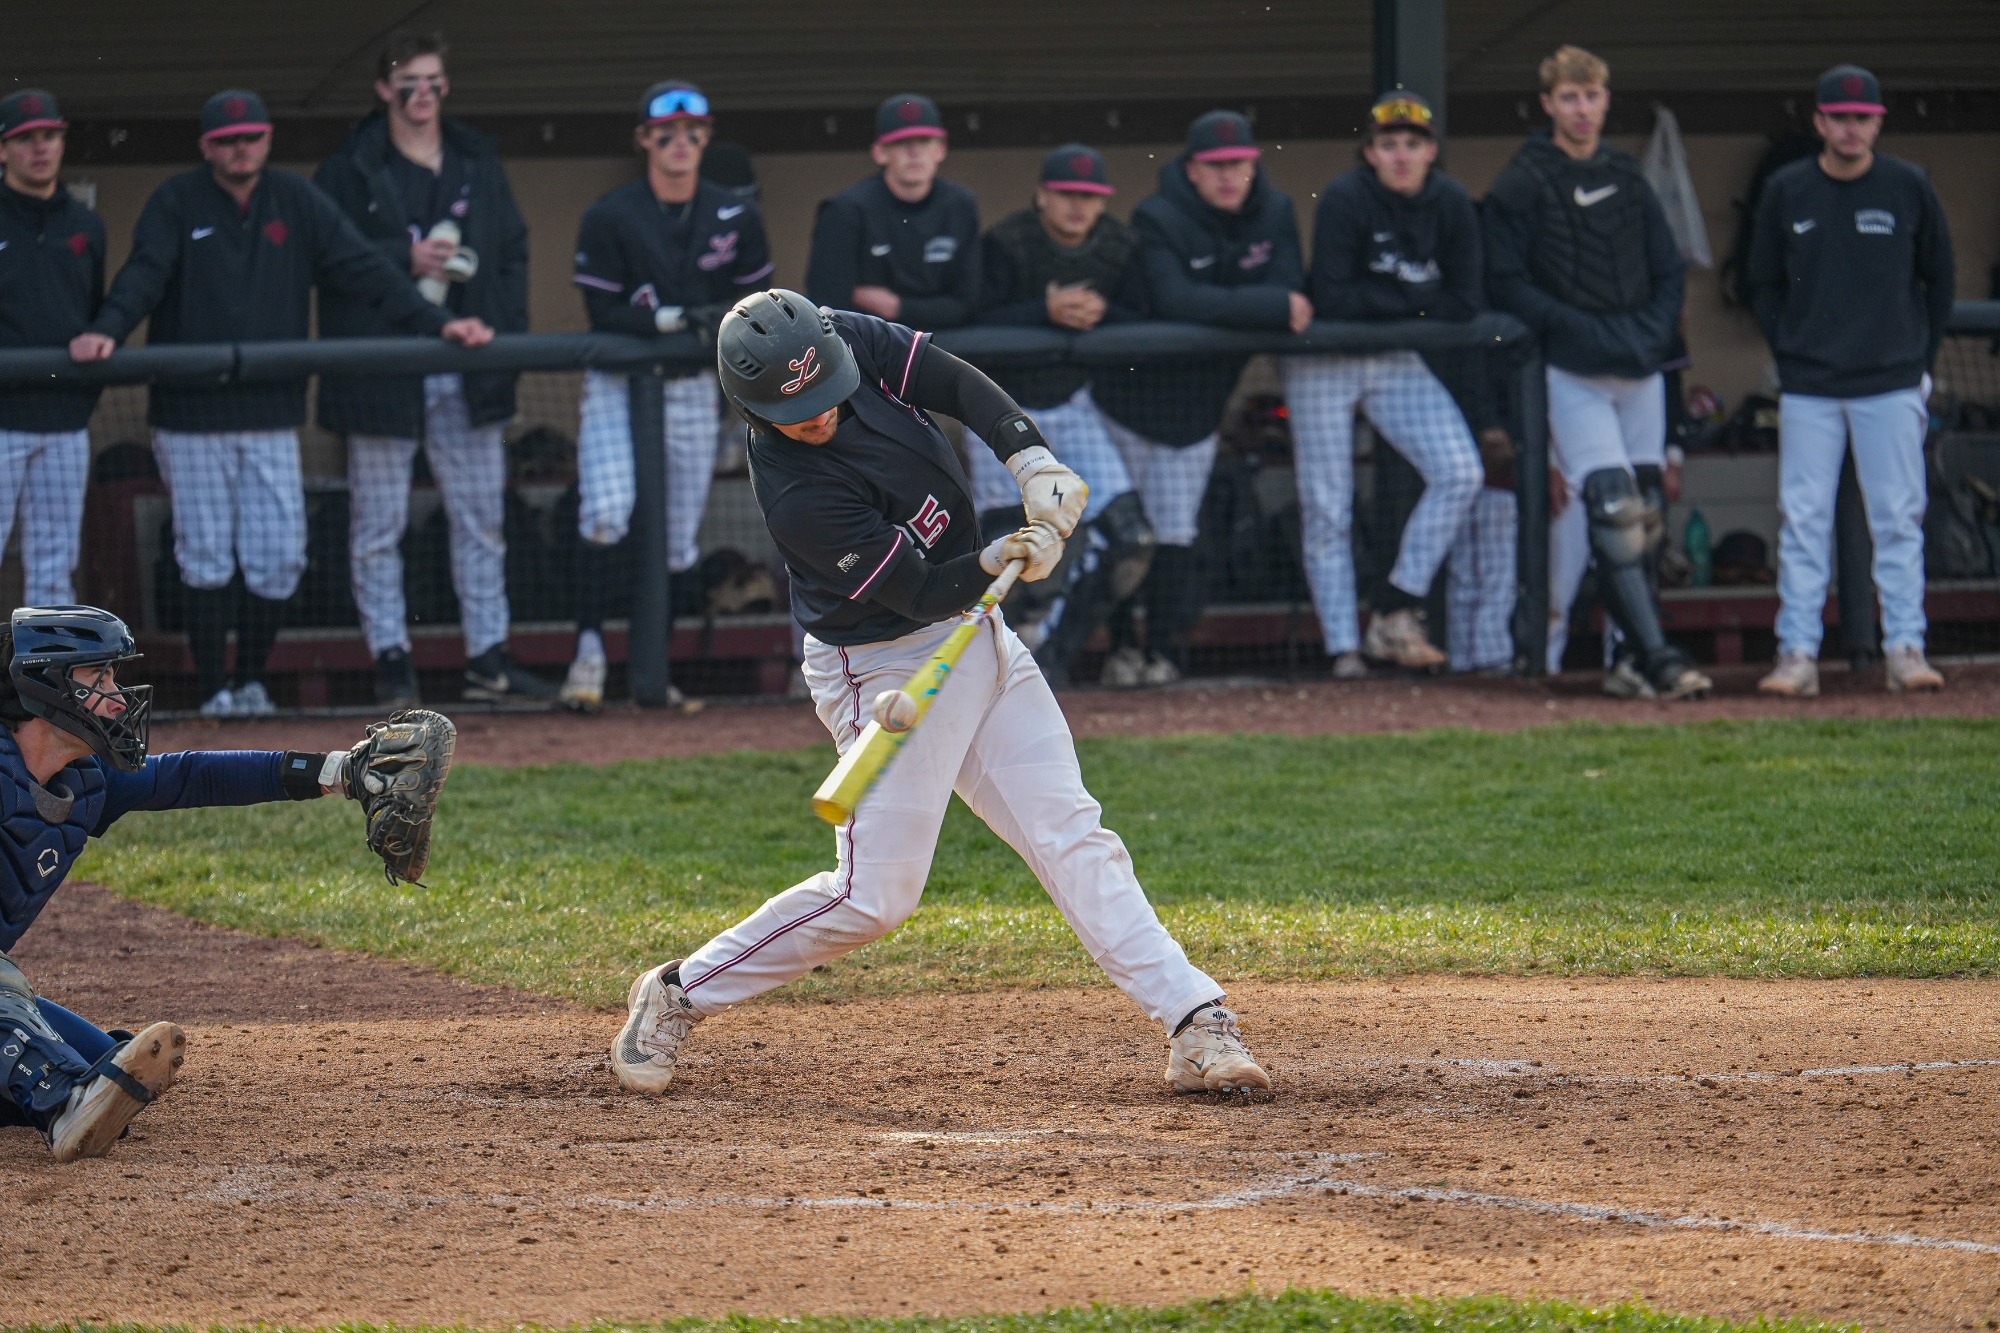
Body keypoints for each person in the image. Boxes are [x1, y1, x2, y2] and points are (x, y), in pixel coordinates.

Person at [609, 289, 1270, 1098]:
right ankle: (678, 991)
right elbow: (919, 591)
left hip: (975, 633)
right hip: (884, 665)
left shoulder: (840, 339)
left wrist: (1029, 458)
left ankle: (1194, 1018)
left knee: (1071, 831)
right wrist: (997, 558)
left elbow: (952, 381)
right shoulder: (797, 495)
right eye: (799, 413)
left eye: (826, 395)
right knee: (874, 898)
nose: (822, 415)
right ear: (754, 408)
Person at [70, 90, 492, 719]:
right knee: (206, 557)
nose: (241, 149)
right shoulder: (176, 199)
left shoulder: (295, 198)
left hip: (271, 414)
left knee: (280, 556)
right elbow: (143, 275)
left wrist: (440, 323)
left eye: (252, 138)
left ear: (268, 139)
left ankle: (251, 682)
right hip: (190, 416)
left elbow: (364, 268)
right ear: (207, 146)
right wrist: (107, 328)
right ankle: (214, 690)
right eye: (228, 140)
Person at [0, 604, 453, 1160]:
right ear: (45, 686)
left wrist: (339, 772)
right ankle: (63, 1106)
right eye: (99, 678)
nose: (118, 698)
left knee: (102, 1065)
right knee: (59, 1070)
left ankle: (67, 1087)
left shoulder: (87, 782)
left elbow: (193, 775)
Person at [315, 30, 545, 707]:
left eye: (433, 82)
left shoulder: (477, 160)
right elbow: (329, 260)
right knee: (377, 524)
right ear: (384, 89)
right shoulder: (350, 168)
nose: (422, 94)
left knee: (481, 520)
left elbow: (513, 251)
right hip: (384, 372)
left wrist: (505, 335)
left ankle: (488, 658)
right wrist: (402, 256)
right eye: (408, 82)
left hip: (469, 366)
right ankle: (392, 662)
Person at [1483, 46, 1711, 701]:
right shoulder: (1523, 179)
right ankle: (1658, 659)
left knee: (1647, 516)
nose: (1581, 109)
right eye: (1569, 98)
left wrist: (1651, 331)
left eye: (1591, 97)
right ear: (1548, 104)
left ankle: (1629, 660)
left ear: (1606, 101)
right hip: (1572, 371)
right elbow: (1504, 279)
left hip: (1639, 368)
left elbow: (1668, 270)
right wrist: (1575, 329)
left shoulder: (1627, 175)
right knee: (1611, 508)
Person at [562, 80, 774, 712]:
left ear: (706, 138)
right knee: (606, 514)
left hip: (691, 389)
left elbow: (754, 305)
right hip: (618, 385)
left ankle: (653, 672)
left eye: (691, 132)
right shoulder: (611, 214)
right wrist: (673, 320)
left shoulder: (735, 214)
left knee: (679, 539)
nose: (679, 143)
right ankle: (588, 655)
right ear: (644, 140)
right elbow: (602, 312)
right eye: (666, 134)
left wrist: (707, 322)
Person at [1747, 64, 1953, 698]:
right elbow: (1760, 282)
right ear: (1819, 122)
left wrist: (1917, 359)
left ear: (1878, 123)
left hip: (1890, 382)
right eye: (1839, 117)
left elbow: (1940, 279)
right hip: (1810, 385)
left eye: (1862, 118)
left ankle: (1905, 648)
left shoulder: (1908, 185)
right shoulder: (1787, 189)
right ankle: (1797, 654)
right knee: (1802, 520)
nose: (1851, 128)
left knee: (1897, 518)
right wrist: (1791, 349)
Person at [1091, 110, 1309, 685]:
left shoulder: (1276, 211)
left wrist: (1252, 304)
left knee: (1175, 532)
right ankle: (1120, 649)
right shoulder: (1158, 215)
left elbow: (1292, 285)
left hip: (1199, 408)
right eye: (1215, 166)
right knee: (1124, 534)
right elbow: (1175, 300)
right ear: (1192, 170)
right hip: (1128, 402)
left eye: (1238, 163)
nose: (1228, 176)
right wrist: (1266, 307)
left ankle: (1162, 654)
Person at [1281, 91, 1485, 676]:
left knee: (1461, 471)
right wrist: (1419, 300)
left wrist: (1394, 305)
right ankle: (1343, 648)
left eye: (1412, 144)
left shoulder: (1450, 201)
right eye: (1389, 144)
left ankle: (1395, 606)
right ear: (1370, 152)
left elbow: (1468, 299)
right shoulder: (1347, 196)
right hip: (1325, 360)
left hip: (1394, 356)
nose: (1401, 155)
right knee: (1328, 506)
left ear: (1431, 151)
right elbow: (1333, 297)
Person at [973, 144, 1156, 686]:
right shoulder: (1006, 242)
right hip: (1001, 409)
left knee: (1131, 539)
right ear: (1042, 196)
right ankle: (999, 664)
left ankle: (1054, 655)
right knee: (1008, 547)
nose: (1079, 206)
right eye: (1067, 194)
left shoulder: (1118, 245)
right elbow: (972, 316)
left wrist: (1104, 314)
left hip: (1075, 404)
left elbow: (1150, 315)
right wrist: (1044, 312)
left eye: (1090, 196)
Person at [0, 90, 102, 608]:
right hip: (1, 422)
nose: (40, 148)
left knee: (54, 569)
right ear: (3, 150)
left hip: (64, 423)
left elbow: (95, 312)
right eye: (25, 138)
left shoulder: (85, 224)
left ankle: (45, 665)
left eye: (50, 136)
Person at [804, 93, 979, 330]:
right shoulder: (845, 211)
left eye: (924, 141)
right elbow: (828, 309)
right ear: (879, 153)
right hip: (867, 342)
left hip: (944, 339)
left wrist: (898, 307)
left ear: (941, 149)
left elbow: (969, 302)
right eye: (901, 143)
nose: (914, 153)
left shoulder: (960, 205)